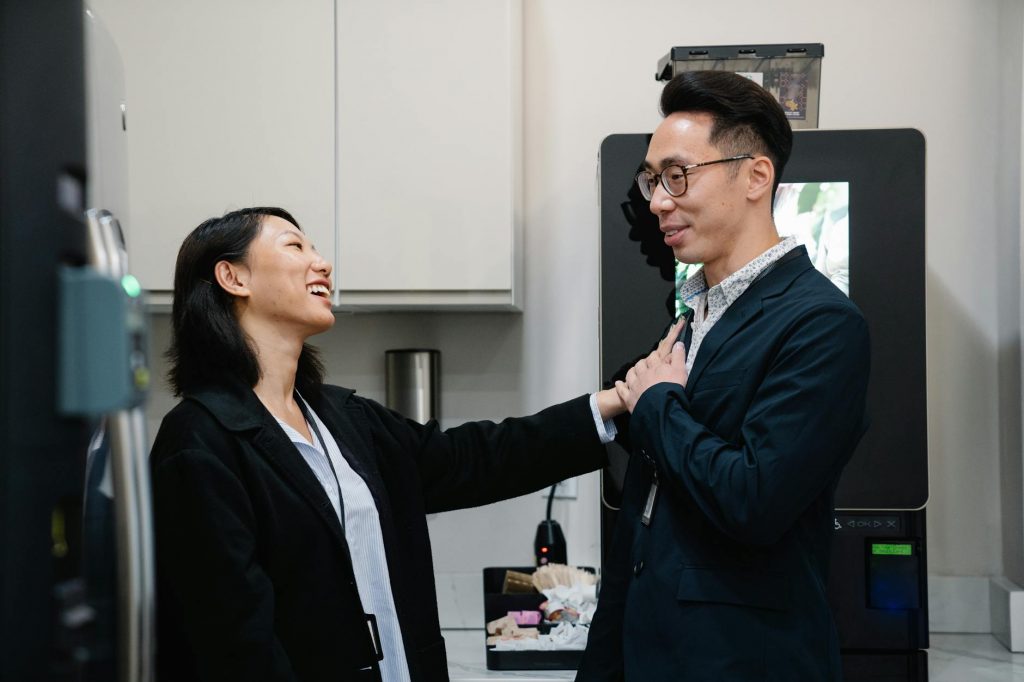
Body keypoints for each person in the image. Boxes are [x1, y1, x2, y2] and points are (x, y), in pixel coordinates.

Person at [149, 206, 657, 681]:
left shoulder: (342, 418)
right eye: (294, 246)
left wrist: (611, 403)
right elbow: (236, 645)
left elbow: (475, 458)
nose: (321, 262)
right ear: (233, 277)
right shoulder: (199, 442)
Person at [576, 72, 870, 681]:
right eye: (652, 180)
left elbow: (754, 499)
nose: (658, 201)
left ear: (756, 177)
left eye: (677, 175)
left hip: (740, 661)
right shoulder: (692, 315)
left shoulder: (822, 324)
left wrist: (658, 404)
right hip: (644, 649)